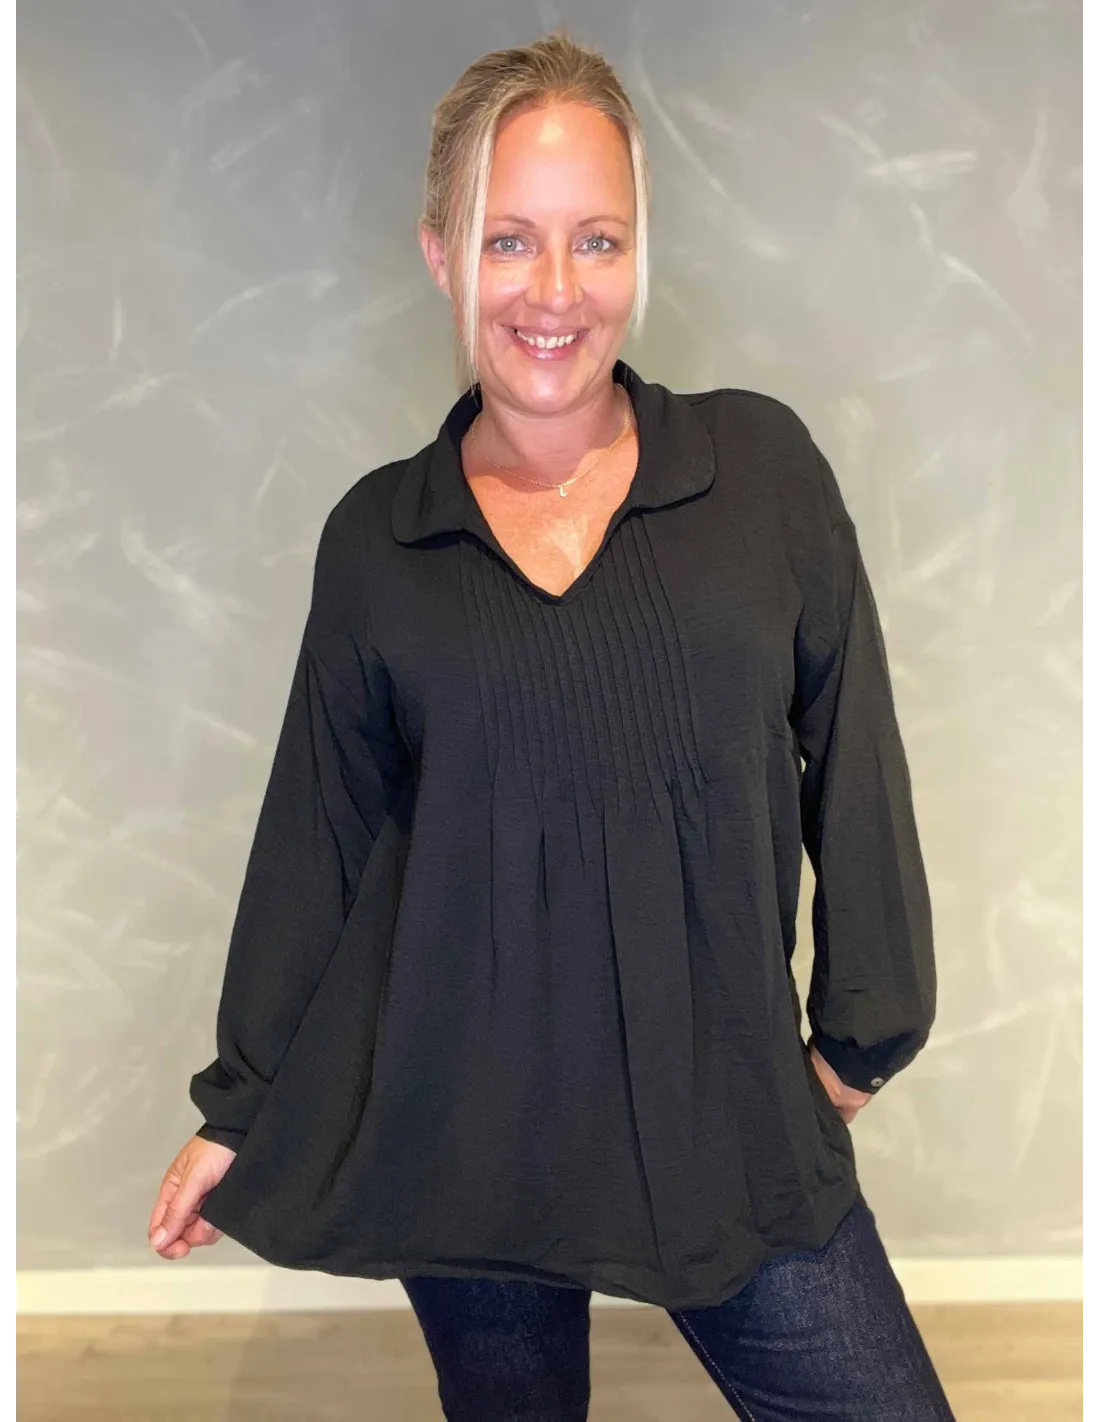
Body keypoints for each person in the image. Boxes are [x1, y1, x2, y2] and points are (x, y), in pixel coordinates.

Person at [148, 29, 955, 1421]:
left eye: (598, 240)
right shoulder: (380, 542)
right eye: (509, 240)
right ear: (441, 255)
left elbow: (855, 757)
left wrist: (862, 1027)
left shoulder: (760, 472)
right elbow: (318, 846)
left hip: (727, 1115)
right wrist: (240, 1106)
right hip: (470, 1136)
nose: (557, 290)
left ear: (640, 253)